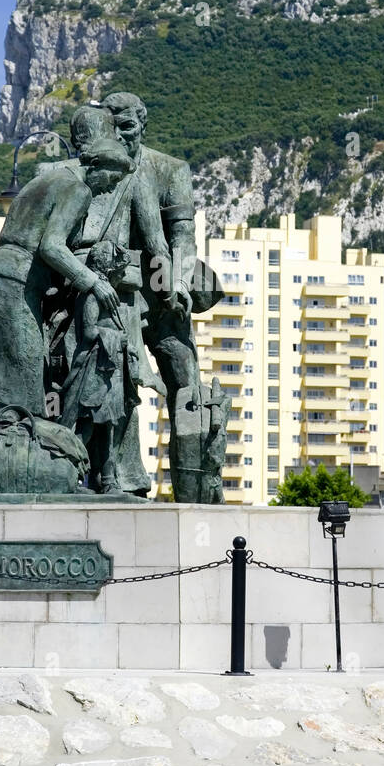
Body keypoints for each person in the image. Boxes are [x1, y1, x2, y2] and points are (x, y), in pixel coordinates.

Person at [101, 91, 224, 500]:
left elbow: (183, 235)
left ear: (142, 123)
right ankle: (124, 482)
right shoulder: (97, 169)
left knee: (185, 379)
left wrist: (183, 284)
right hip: (120, 292)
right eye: (113, 127)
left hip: (163, 287)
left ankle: (197, 487)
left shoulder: (169, 170)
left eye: (128, 126)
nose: (121, 134)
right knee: (119, 380)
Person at [0, 129, 132, 420]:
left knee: (2, 360)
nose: (109, 189)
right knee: (29, 364)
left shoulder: (45, 180)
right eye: (112, 179)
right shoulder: (77, 190)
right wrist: (94, 282)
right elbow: (52, 247)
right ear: (97, 166)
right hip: (15, 280)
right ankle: (21, 439)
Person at [59, 239, 139, 494]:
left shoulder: (105, 294)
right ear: (109, 269)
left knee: (109, 427)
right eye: (120, 271)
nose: (122, 276)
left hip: (109, 370)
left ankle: (109, 480)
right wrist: (117, 338)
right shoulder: (92, 296)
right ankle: (70, 475)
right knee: (86, 425)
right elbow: (89, 331)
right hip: (94, 370)